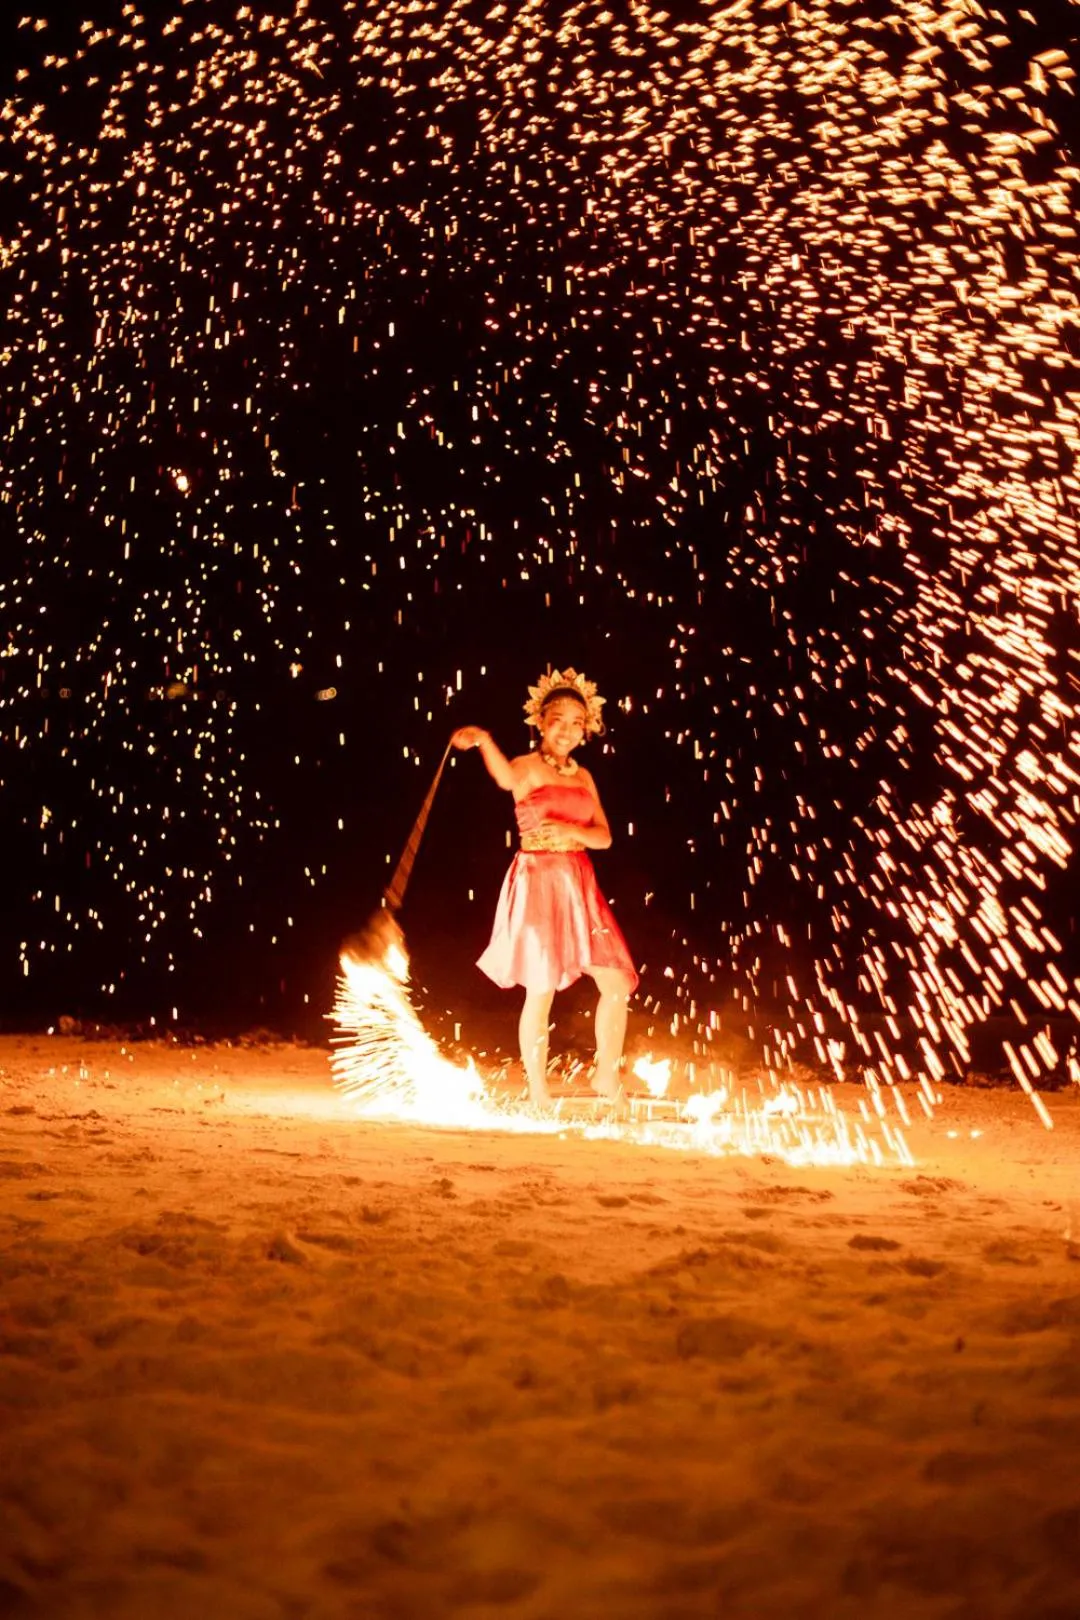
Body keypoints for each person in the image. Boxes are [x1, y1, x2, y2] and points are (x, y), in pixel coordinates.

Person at [451, 667, 637, 1107]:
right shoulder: (526, 768)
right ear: (541, 722)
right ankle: (537, 1090)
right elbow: (504, 780)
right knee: (542, 988)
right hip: (537, 880)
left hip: (577, 882)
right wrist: (482, 740)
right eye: (559, 720)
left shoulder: (584, 777)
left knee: (615, 983)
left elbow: (605, 836)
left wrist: (569, 832)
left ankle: (606, 1076)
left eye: (577, 722)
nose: (568, 731)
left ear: (586, 728)